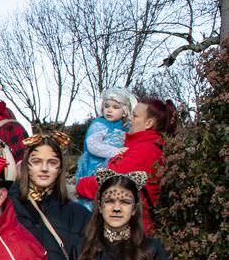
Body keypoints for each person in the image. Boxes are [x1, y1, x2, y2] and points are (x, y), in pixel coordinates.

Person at [76, 96, 178, 231]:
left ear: (148, 123)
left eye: (135, 116)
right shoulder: (141, 146)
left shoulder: (145, 151)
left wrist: (80, 185)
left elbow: (109, 183)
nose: (130, 118)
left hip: (131, 230)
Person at [11, 131, 90, 260]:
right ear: (26, 165)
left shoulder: (79, 214)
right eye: (36, 161)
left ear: (60, 168)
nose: (44, 169)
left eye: (52, 162)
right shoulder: (7, 207)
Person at [76, 89, 133, 184]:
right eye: (106, 106)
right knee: (98, 185)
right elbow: (92, 145)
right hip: (97, 165)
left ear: (124, 112)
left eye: (115, 107)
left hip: (116, 164)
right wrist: (114, 151)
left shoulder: (125, 127)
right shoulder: (99, 125)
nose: (109, 110)